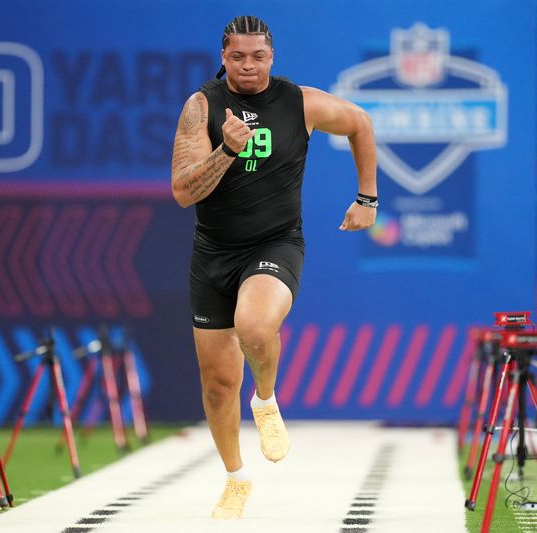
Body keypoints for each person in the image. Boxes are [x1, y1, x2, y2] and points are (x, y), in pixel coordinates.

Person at [170, 15, 377, 519]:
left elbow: (359, 123)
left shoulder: (298, 102)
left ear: (271, 56)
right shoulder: (202, 106)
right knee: (218, 384)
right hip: (214, 254)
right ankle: (236, 480)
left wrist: (367, 197)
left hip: (276, 243)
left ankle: (265, 400)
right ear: (223, 57)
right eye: (237, 56)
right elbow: (182, 192)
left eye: (257, 56)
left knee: (256, 327)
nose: (247, 65)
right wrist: (225, 151)